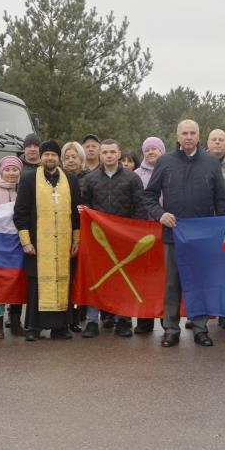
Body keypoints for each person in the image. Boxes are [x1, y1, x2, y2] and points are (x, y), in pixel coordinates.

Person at [144, 120, 225, 348]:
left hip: (203, 238)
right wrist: (160, 214)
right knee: (172, 284)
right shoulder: (165, 161)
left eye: (193, 133)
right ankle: (171, 329)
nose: (189, 137)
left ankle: (200, 328)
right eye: (185, 133)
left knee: (200, 283)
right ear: (178, 136)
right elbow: (149, 196)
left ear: (199, 136)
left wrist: (219, 231)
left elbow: (221, 200)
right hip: (173, 235)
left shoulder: (211, 162)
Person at [78, 139, 147, 338]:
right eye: (105, 152)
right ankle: (92, 320)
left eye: (112, 152)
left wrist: (135, 234)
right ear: (100, 155)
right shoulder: (90, 179)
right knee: (96, 276)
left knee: (121, 280)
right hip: (97, 239)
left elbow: (139, 208)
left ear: (119, 154)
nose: (108, 155)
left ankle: (122, 319)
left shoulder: (132, 179)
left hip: (123, 238)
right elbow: (85, 206)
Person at [13, 140, 81, 341]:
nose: (50, 158)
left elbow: (76, 214)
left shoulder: (70, 179)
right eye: (46, 155)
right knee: (36, 286)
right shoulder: (28, 179)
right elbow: (20, 213)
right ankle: (34, 327)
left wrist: (76, 239)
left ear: (58, 157)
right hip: (38, 244)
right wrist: (26, 241)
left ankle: (60, 328)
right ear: (41, 157)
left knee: (63, 282)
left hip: (64, 243)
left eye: (53, 155)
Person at [0, 155, 24, 336]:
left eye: (15, 170)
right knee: (0, 284)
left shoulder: (24, 190)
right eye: (7, 169)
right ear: (1, 171)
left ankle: (16, 321)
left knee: (18, 282)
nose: (11, 173)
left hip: (19, 243)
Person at [133, 136, 166, 335]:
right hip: (143, 231)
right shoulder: (136, 175)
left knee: (163, 277)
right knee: (144, 278)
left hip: (164, 229)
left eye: (155, 149)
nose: (151, 152)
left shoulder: (170, 170)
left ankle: (165, 318)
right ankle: (144, 320)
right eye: (147, 149)